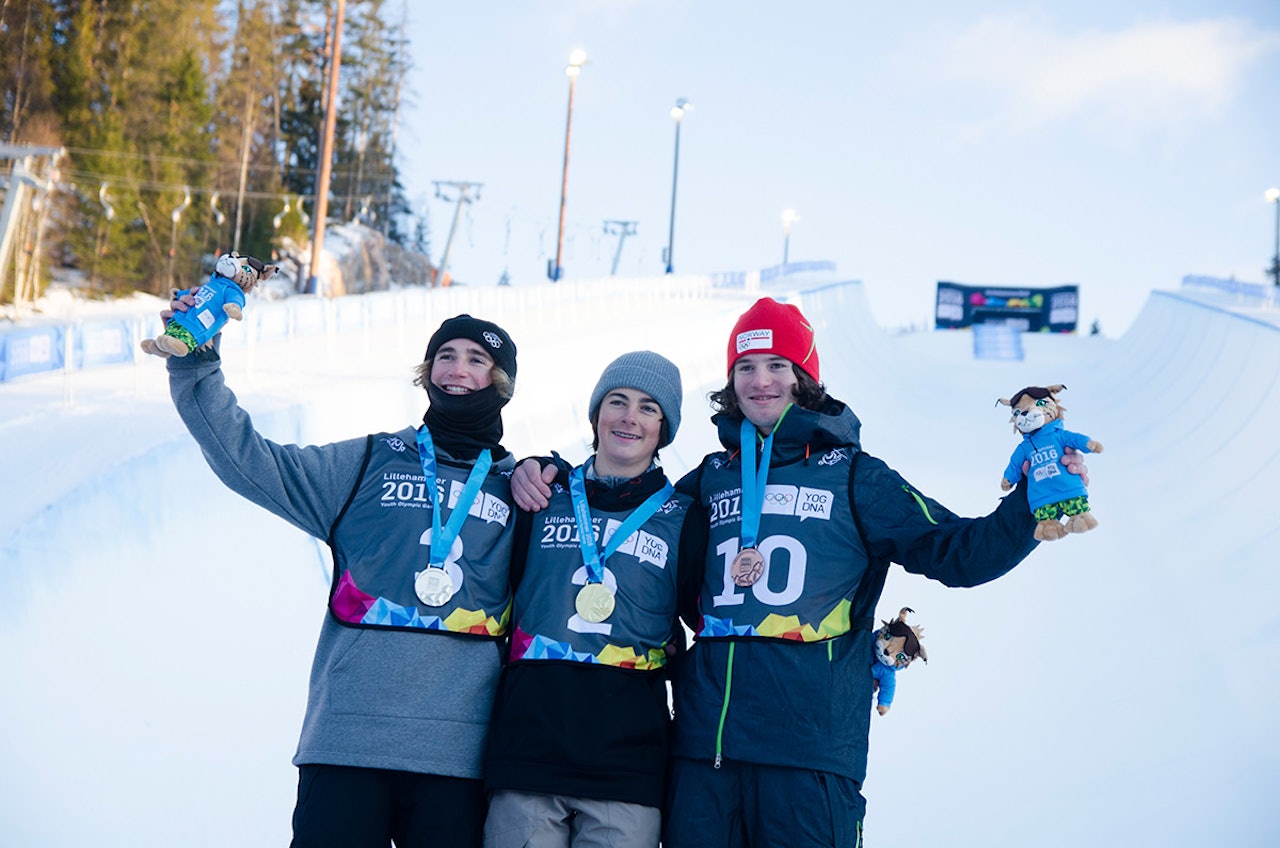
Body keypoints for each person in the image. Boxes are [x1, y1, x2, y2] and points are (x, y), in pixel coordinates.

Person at [661, 297, 1049, 848]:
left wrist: (1033, 499)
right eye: (745, 367)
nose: (760, 381)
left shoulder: (855, 477)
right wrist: (548, 476)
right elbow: (637, 548)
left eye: (777, 365)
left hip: (810, 756)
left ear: (805, 378)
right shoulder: (709, 478)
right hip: (706, 753)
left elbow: (959, 551)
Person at [161, 293, 521, 848]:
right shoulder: (369, 462)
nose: (457, 369)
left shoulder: (525, 489)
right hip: (347, 741)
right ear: (427, 372)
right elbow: (250, 460)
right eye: (446, 355)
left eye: (477, 359)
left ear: (500, 383)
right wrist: (196, 362)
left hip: (459, 758)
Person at [485, 351, 697, 848]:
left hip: (627, 764)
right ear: (596, 413)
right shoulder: (540, 496)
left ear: (663, 430)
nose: (629, 417)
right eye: (617, 401)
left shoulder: (686, 518)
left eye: (649, 408)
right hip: (529, 750)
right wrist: (533, 467)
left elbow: (719, 619)